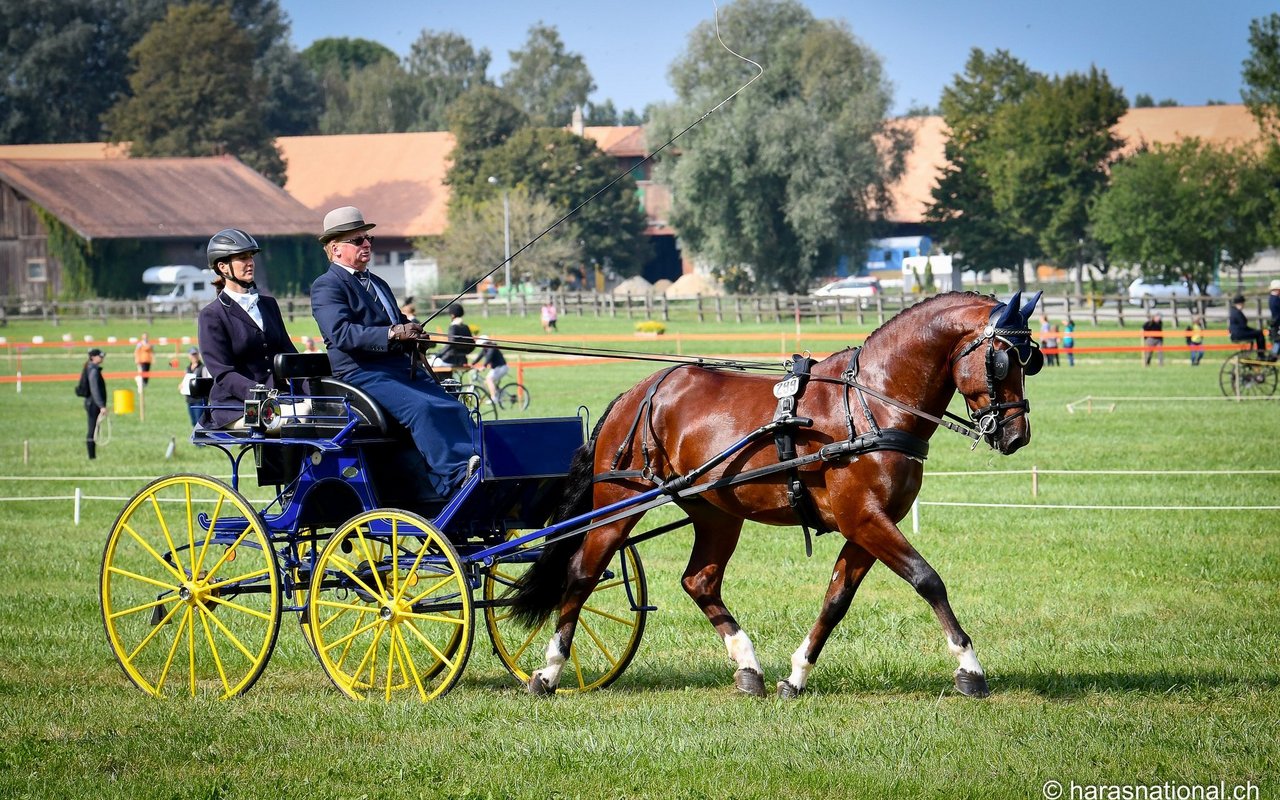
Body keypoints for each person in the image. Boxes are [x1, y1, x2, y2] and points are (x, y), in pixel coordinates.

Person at [310, 206, 478, 495]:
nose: (366, 245)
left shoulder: (377, 283)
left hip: (398, 369)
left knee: (454, 406)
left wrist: (415, 333)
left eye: (368, 239)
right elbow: (342, 334)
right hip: (362, 374)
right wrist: (392, 333)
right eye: (358, 240)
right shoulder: (326, 286)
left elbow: (399, 322)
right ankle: (455, 479)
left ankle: (478, 466)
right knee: (423, 409)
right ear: (336, 249)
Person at [197, 228, 299, 428]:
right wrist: (261, 393)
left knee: (324, 413)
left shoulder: (269, 305)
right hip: (235, 405)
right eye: (242, 258)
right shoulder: (212, 315)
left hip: (279, 398)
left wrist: (316, 388)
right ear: (223, 267)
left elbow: (289, 356)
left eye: (251, 257)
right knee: (296, 419)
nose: (250, 262)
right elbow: (223, 373)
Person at [80, 348, 107, 459]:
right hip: (93, 404)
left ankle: (92, 455)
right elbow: (95, 389)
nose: (102, 358)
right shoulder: (93, 370)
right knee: (92, 429)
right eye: (100, 356)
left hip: (92, 403)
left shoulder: (91, 368)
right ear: (93, 357)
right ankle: (91, 456)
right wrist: (101, 406)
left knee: (95, 428)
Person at [432, 303, 475, 370]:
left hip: (450, 360)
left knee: (428, 363)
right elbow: (472, 344)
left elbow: (451, 344)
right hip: (463, 360)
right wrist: (464, 353)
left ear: (452, 315)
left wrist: (439, 353)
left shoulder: (453, 327)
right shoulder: (466, 327)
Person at [470, 335, 508, 400]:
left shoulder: (492, 348)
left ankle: (494, 398)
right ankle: (500, 393)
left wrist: (484, 366)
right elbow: (479, 357)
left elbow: (489, 357)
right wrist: (471, 364)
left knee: (489, 379)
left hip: (501, 367)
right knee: (487, 381)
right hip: (497, 368)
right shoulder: (485, 349)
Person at [179, 347, 205, 425]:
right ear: (189, 356)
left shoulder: (203, 368)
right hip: (189, 399)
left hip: (199, 400)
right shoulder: (188, 368)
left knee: (199, 422)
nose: (194, 356)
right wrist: (181, 385)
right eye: (192, 355)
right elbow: (185, 380)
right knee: (193, 422)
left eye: (195, 354)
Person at [1268, 279, 1280, 356]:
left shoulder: (1273, 298)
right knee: (1278, 341)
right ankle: (1273, 356)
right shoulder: (1275, 300)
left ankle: (1273, 355)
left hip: (1276, 323)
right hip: (1278, 323)